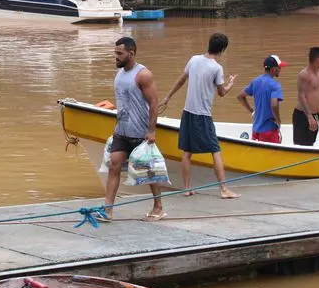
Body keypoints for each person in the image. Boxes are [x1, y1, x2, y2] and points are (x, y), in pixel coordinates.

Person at [160, 33, 239, 199]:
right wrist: (231, 83)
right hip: (202, 115)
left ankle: (187, 188)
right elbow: (222, 93)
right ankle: (224, 190)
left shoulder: (194, 59)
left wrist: (167, 97)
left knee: (187, 152)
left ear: (209, 44)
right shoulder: (217, 68)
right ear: (223, 49)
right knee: (215, 150)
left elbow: (181, 80)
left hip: (187, 112)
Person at [101, 36, 165, 221]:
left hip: (140, 132)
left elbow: (154, 103)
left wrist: (151, 130)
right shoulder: (119, 73)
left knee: (148, 170)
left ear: (132, 53)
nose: (116, 57)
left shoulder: (143, 75)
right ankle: (108, 211)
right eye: (115, 53)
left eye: (119, 53)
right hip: (121, 131)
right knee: (114, 165)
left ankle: (158, 207)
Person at [238, 55, 286, 144]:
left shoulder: (255, 81)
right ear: (273, 69)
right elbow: (274, 104)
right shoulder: (275, 85)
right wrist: (278, 120)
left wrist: (252, 111)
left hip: (256, 129)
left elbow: (240, 96)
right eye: (279, 67)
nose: (280, 69)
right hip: (269, 131)